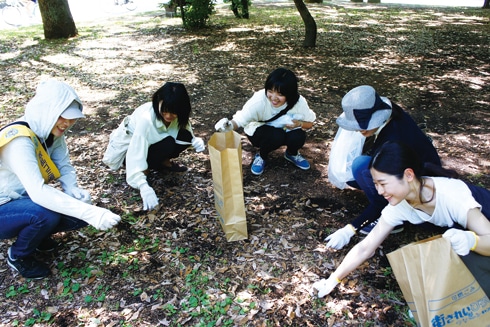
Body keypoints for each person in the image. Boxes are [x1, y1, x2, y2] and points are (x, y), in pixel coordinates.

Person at [313, 141, 490, 297]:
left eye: (383, 183)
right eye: (376, 184)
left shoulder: (452, 196)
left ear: (408, 175)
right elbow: (366, 247)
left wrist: (471, 240)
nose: (380, 191)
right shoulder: (401, 205)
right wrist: (333, 279)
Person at [0, 79, 121, 280]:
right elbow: (38, 191)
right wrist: (93, 213)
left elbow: (64, 165)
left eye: (72, 119)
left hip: (23, 199)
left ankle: (36, 237)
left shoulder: (50, 132)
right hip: (5, 204)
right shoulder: (18, 140)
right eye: (63, 117)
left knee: (75, 212)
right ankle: (18, 255)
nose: (67, 123)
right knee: (45, 214)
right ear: (48, 111)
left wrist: (72, 188)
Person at [324, 85, 441, 250]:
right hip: (411, 169)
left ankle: (390, 216)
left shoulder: (392, 141)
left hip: (421, 183)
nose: (359, 130)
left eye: (363, 125)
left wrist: (350, 229)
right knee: (358, 172)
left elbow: (393, 182)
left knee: (361, 167)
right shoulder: (392, 115)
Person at [102, 82, 205, 211]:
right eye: (165, 111)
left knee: (183, 136)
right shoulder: (146, 120)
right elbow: (136, 151)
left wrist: (194, 141)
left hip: (152, 145)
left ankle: (162, 162)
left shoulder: (179, 116)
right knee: (168, 143)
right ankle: (147, 168)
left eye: (174, 113)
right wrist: (142, 184)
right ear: (158, 102)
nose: (168, 116)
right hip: (129, 152)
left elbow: (186, 132)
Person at [214, 67, 316, 175]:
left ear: (290, 94)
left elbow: (310, 123)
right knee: (276, 135)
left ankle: (292, 153)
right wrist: (228, 126)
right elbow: (239, 120)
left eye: (280, 94)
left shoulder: (298, 102)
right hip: (261, 129)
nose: (274, 98)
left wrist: (299, 124)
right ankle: (261, 156)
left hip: (286, 129)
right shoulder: (259, 100)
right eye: (270, 91)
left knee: (298, 136)